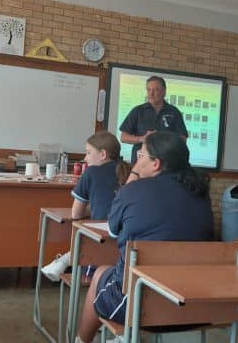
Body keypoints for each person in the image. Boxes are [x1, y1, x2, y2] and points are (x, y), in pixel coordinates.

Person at [76, 131, 214, 343]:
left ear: (156, 164)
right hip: (193, 305)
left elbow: (113, 231)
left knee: (100, 274)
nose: (135, 162)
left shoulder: (132, 190)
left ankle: (81, 341)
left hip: (139, 305)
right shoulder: (200, 192)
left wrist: (132, 178)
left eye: (140, 157)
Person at [40, 131, 130, 282]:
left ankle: (64, 260)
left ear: (103, 154)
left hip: (101, 246)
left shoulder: (91, 172)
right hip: (126, 247)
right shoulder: (128, 171)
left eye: (88, 153)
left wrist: (92, 208)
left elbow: (76, 213)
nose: (85, 158)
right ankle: (64, 259)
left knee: (84, 246)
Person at [119, 76, 187, 164]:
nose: (151, 94)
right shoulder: (138, 111)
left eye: (156, 90)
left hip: (165, 164)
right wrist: (142, 139)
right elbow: (123, 137)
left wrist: (164, 140)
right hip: (140, 164)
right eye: (148, 90)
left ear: (164, 92)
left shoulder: (174, 112)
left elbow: (183, 139)